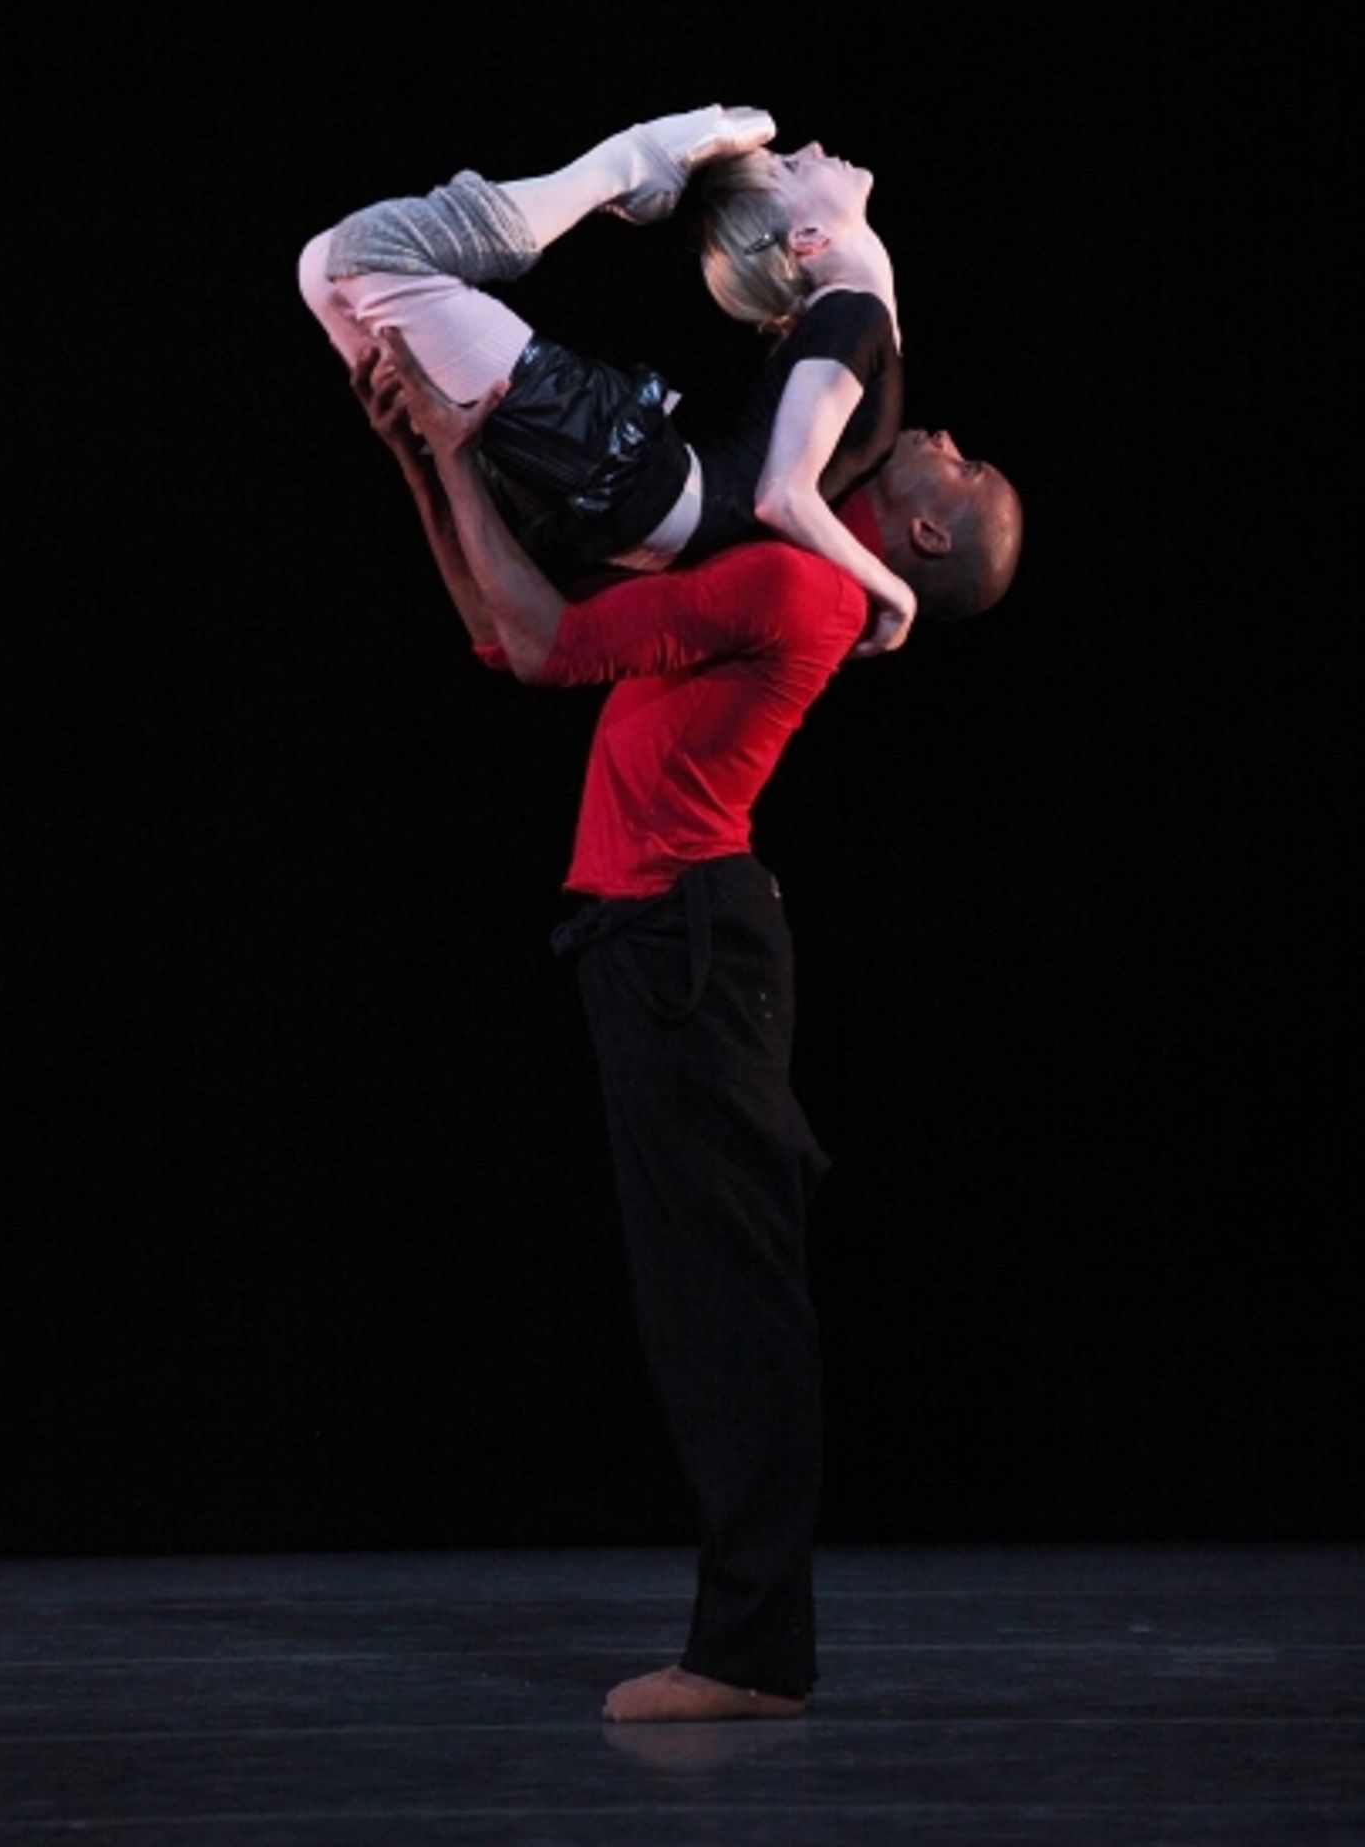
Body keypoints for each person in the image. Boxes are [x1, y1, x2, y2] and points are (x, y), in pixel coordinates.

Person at [346, 325, 1022, 1722]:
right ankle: (751, 1644)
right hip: (658, 939)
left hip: (684, 946)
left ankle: (753, 1656)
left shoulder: (791, 583)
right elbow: (500, 627)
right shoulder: (791, 548)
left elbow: (544, 642)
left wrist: (464, 453)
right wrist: (427, 459)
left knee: (725, 1299)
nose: (943, 439)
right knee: (705, 1292)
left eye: (966, 464)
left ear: (933, 528)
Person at [298, 104, 925, 651]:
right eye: (793, 162)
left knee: (368, 251)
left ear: (809, 239)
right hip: (635, 501)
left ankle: (628, 162)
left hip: (638, 485)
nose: (811, 150)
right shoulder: (851, 317)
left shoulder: (852, 314)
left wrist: (897, 594)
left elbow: (782, 496)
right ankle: (631, 164)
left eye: (787, 165)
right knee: (324, 265)